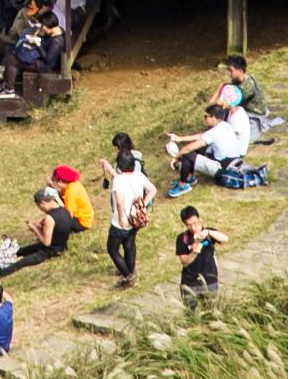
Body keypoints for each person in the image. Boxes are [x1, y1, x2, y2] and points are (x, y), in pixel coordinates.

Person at [0, 185, 83, 278]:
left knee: (21, 263)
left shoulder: (50, 218)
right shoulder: (65, 210)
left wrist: (35, 228)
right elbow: (57, 228)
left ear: (42, 203)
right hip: (62, 245)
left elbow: (46, 242)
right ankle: (3, 255)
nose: (41, 209)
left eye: (39, 206)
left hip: (50, 251)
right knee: (22, 250)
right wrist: (40, 227)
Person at [165, 103, 252, 197]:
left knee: (188, 155)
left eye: (206, 116)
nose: (205, 119)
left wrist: (175, 157)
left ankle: (183, 186)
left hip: (222, 169)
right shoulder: (225, 125)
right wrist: (180, 138)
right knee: (199, 149)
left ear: (213, 117)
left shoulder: (215, 132)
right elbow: (203, 136)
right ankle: (189, 177)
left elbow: (188, 148)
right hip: (232, 163)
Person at [104, 138, 155, 286]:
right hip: (135, 218)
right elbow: (152, 190)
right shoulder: (139, 176)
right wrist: (143, 206)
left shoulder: (118, 180)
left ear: (119, 165)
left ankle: (128, 275)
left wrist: (121, 218)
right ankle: (130, 269)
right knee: (129, 245)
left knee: (112, 249)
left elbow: (119, 202)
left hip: (121, 221)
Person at [175, 207, 225, 311]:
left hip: (209, 281)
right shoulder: (182, 238)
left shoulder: (208, 232)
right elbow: (184, 262)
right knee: (189, 314)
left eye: (195, 223)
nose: (193, 227)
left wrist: (208, 232)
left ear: (199, 219)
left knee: (211, 312)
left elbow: (225, 238)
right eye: (189, 225)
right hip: (190, 283)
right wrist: (194, 252)